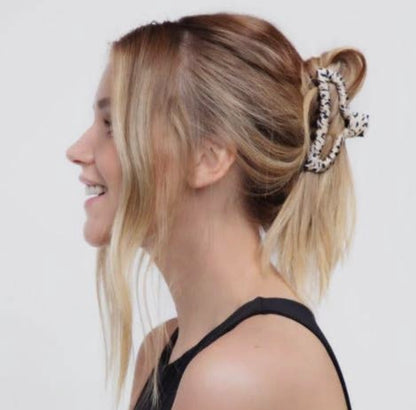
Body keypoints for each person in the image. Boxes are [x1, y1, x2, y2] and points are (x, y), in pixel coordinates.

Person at [66, 12, 369, 410]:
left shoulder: (233, 376)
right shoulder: (162, 351)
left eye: (112, 125)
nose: (77, 151)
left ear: (208, 157)